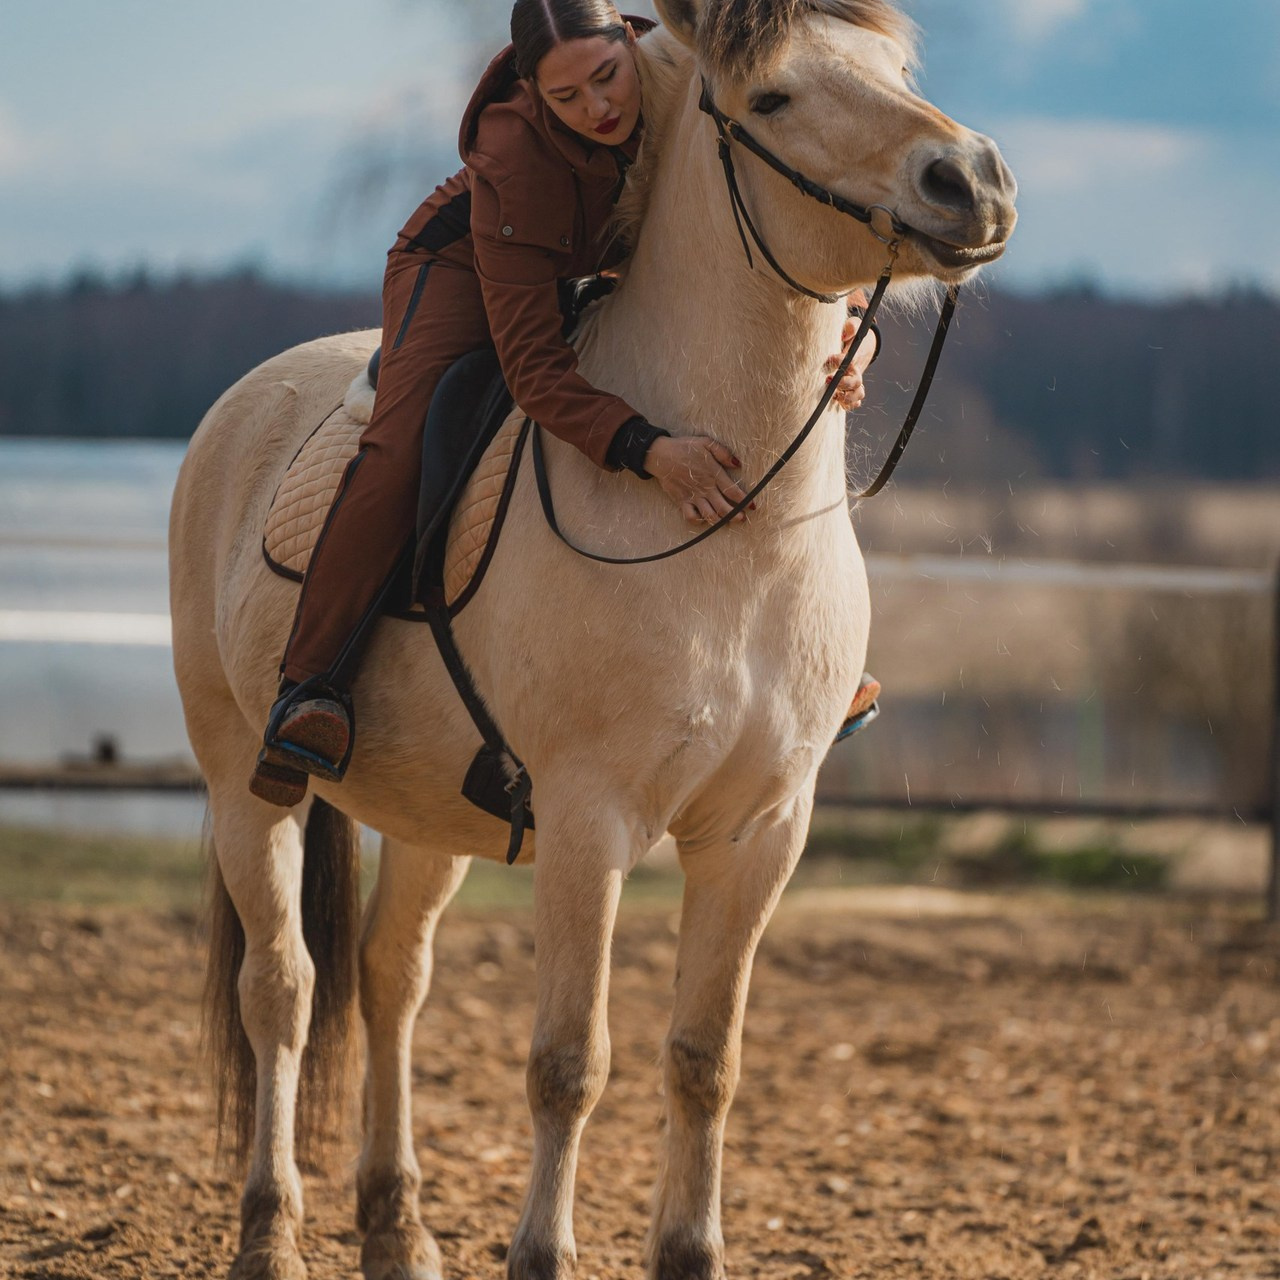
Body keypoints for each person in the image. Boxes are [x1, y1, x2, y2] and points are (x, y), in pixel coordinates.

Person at [249, 0, 880, 808]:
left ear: (629, 37)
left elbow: (788, 198)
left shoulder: (688, 72)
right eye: (567, 99)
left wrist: (853, 325)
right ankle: (310, 685)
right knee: (401, 442)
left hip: (618, 257)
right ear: (534, 94)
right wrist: (647, 449)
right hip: (469, 273)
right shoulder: (516, 154)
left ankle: (811, 664)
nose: (599, 109)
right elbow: (534, 369)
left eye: (606, 78)